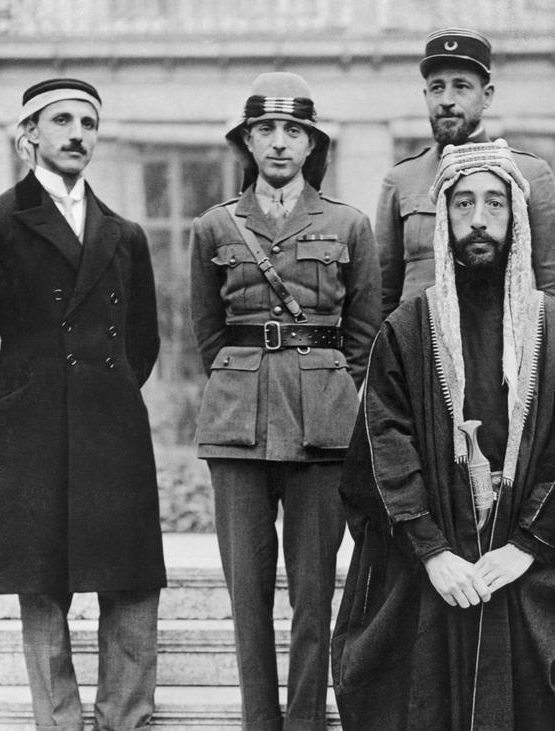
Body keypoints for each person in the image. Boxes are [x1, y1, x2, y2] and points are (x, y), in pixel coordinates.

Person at [331, 140, 555, 730]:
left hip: (529, 560)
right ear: (442, 216)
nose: (478, 219)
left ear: (516, 216)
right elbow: (385, 444)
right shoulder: (407, 329)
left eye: (494, 203)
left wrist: (525, 546)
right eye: (463, 203)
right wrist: (433, 552)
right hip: (435, 560)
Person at [0, 77, 164, 731]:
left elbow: (143, 341)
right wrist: (17, 396)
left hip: (114, 429)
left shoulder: (125, 234)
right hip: (29, 432)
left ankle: (126, 718)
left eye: (88, 123)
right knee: (42, 583)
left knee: (131, 579)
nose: (77, 134)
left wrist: (107, 392)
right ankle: (58, 722)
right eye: (61, 120)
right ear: (29, 134)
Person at [188, 72, 380, 731]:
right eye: (265, 130)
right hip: (236, 425)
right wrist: (243, 382)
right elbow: (207, 332)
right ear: (246, 142)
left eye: (292, 131)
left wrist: (327, 385)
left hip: (321, 425)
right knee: (247, 595)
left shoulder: (349, 225)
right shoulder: (215, 226)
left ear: (311, 144)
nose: (278, 142)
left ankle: (303, 722)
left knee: (313, 594)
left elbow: (363, 334)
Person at [374, 27, 555, 317]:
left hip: (503, 337)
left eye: (461, 86)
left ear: (487, 96)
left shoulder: (530, 174)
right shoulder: (401, 180)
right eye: (437, 87)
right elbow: (383, 294)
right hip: (419, 338)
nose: (446, 99)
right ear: (426, 95)